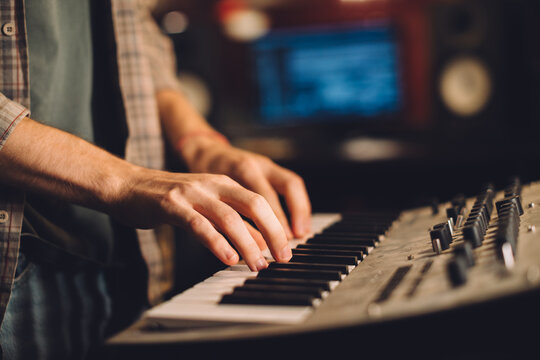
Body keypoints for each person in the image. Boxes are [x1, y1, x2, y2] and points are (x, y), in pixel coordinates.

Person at [0, 0, 311, 358]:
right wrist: (125, 181)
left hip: (125, 253)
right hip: (18, 259)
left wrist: (199, 143)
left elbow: (137, 37)